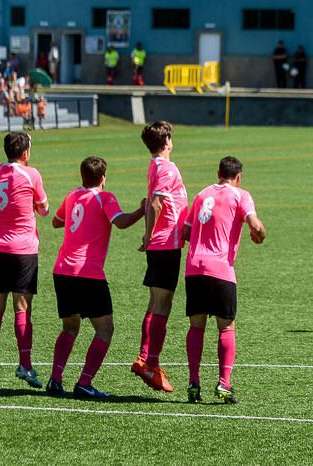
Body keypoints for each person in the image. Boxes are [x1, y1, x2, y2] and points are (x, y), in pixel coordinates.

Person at [48, 156, 145, 398]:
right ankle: (84, 383)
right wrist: (142, 211)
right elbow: (120, 222)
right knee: (105, 329)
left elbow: (56, 222)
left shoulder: (72, 196)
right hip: (87, 273)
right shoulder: (105, 197)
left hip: (62, 270)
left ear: (82, 176)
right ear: (103, 177)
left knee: (70, 327)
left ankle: (55, 380)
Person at [183, 156, 266, 404]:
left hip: (194, 267)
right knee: (226, 326)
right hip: (221, 269)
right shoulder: (241, 195)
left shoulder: (200, 195)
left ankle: (193, 383)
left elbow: (186, 231)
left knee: (196, 326)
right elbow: (256, 225)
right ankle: (224, 384)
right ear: (238, 177)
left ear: (217, 173)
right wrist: (258, 234)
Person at [0, 132, 49, 388]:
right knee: (22, 308)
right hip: (23, 250)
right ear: (25, 153)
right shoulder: (31, 174)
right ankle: (25, 365)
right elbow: (44, 209)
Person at [131, 121, 188, 392]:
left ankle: (144, 358)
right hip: (166, 243)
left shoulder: (154, 165)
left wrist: (149, 235)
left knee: (155, 302)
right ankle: (151, 365)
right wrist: (149, 234)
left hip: (161, 243)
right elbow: (155, 203)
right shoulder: (166, 167)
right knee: (162, 304)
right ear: (166, 141)